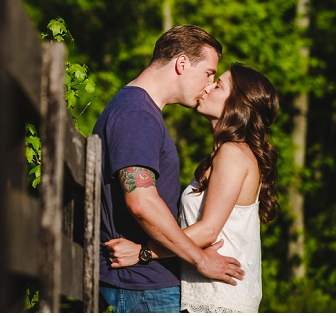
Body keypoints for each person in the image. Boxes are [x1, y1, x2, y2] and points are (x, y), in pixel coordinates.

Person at [93, 25, 245, 313]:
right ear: (182, 63)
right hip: (140, 289)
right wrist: (200, 260)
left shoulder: (140, 111)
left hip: (146, 285)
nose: (208, 84)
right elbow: (141, 201)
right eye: (209, 73)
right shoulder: (137, 114)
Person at [104, 63, 280, 313]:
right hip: (210, 291)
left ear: (237, 105)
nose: (207, 87)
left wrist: (142, 252)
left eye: (218, 85)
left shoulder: (233, 154)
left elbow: (208, 230)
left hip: (220, 295)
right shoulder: (226, 153)